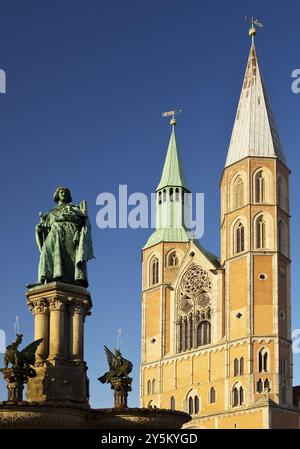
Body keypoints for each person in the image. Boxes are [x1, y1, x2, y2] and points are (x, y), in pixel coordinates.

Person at [34, 186, 94, 288]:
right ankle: (43, 279)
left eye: (65, 192)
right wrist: (39, 229)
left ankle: (67, 278)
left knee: (69, 259)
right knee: (45, 251)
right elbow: (45, 229)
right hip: (53, 234)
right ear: (57, 195)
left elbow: (83, 223)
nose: (63, 194)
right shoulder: (51, 212)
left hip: (69, 234)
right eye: (61, 192)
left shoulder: (75, 208)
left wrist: (81, 215)